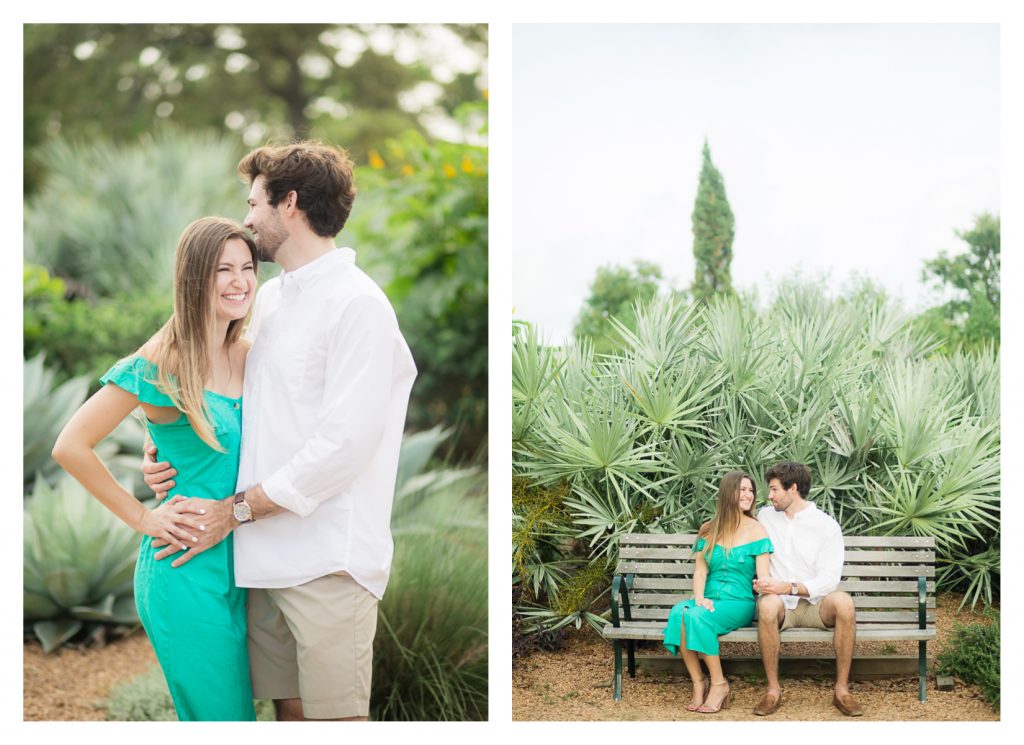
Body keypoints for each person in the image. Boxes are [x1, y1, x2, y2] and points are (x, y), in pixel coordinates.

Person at [142, 141, 417, 721]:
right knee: (286, 720)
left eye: (253, 202)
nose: (245, 219)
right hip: (261, 561)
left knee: (335, 725)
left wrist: (234, 511)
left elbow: (342, 448)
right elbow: (224, 392)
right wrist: (165, 443)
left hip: (326, 565)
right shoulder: (270, 299)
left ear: (288, 203)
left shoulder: (358, 306)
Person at [52, 217, 259, 721]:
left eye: (248, 268)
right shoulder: (163, 360)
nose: (240, 281)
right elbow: (71, 445)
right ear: (194, 278)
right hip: (183, 572)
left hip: (244, 566)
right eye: (223, 269)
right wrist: (144, 519)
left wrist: (157, 440)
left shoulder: (250, 352)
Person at [752, 460, 862, 717]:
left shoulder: (826, 526)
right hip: (781, 607)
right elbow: (737, 523)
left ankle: (842, 691)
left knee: (844, 602)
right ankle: (772, 691)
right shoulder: (766, 516)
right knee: (767, 604)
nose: (769, 496)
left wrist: (788, 587)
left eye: (774, 489)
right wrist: (765, 582)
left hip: (817, 605)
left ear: (793, 489)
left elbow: (829, 580)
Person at [662, 471, 773, 714]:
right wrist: (700, 598)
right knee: (679, 612)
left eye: (751, 490)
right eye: (742, 489)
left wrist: (763, 585)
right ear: (727, 493)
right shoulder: (708, 529)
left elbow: (764, 574)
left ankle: (720, 684)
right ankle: (698, 682)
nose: (748, 494)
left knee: (696, 616)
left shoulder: (757, 531)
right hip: (708, 597)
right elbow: (700, 571)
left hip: (738, 602)